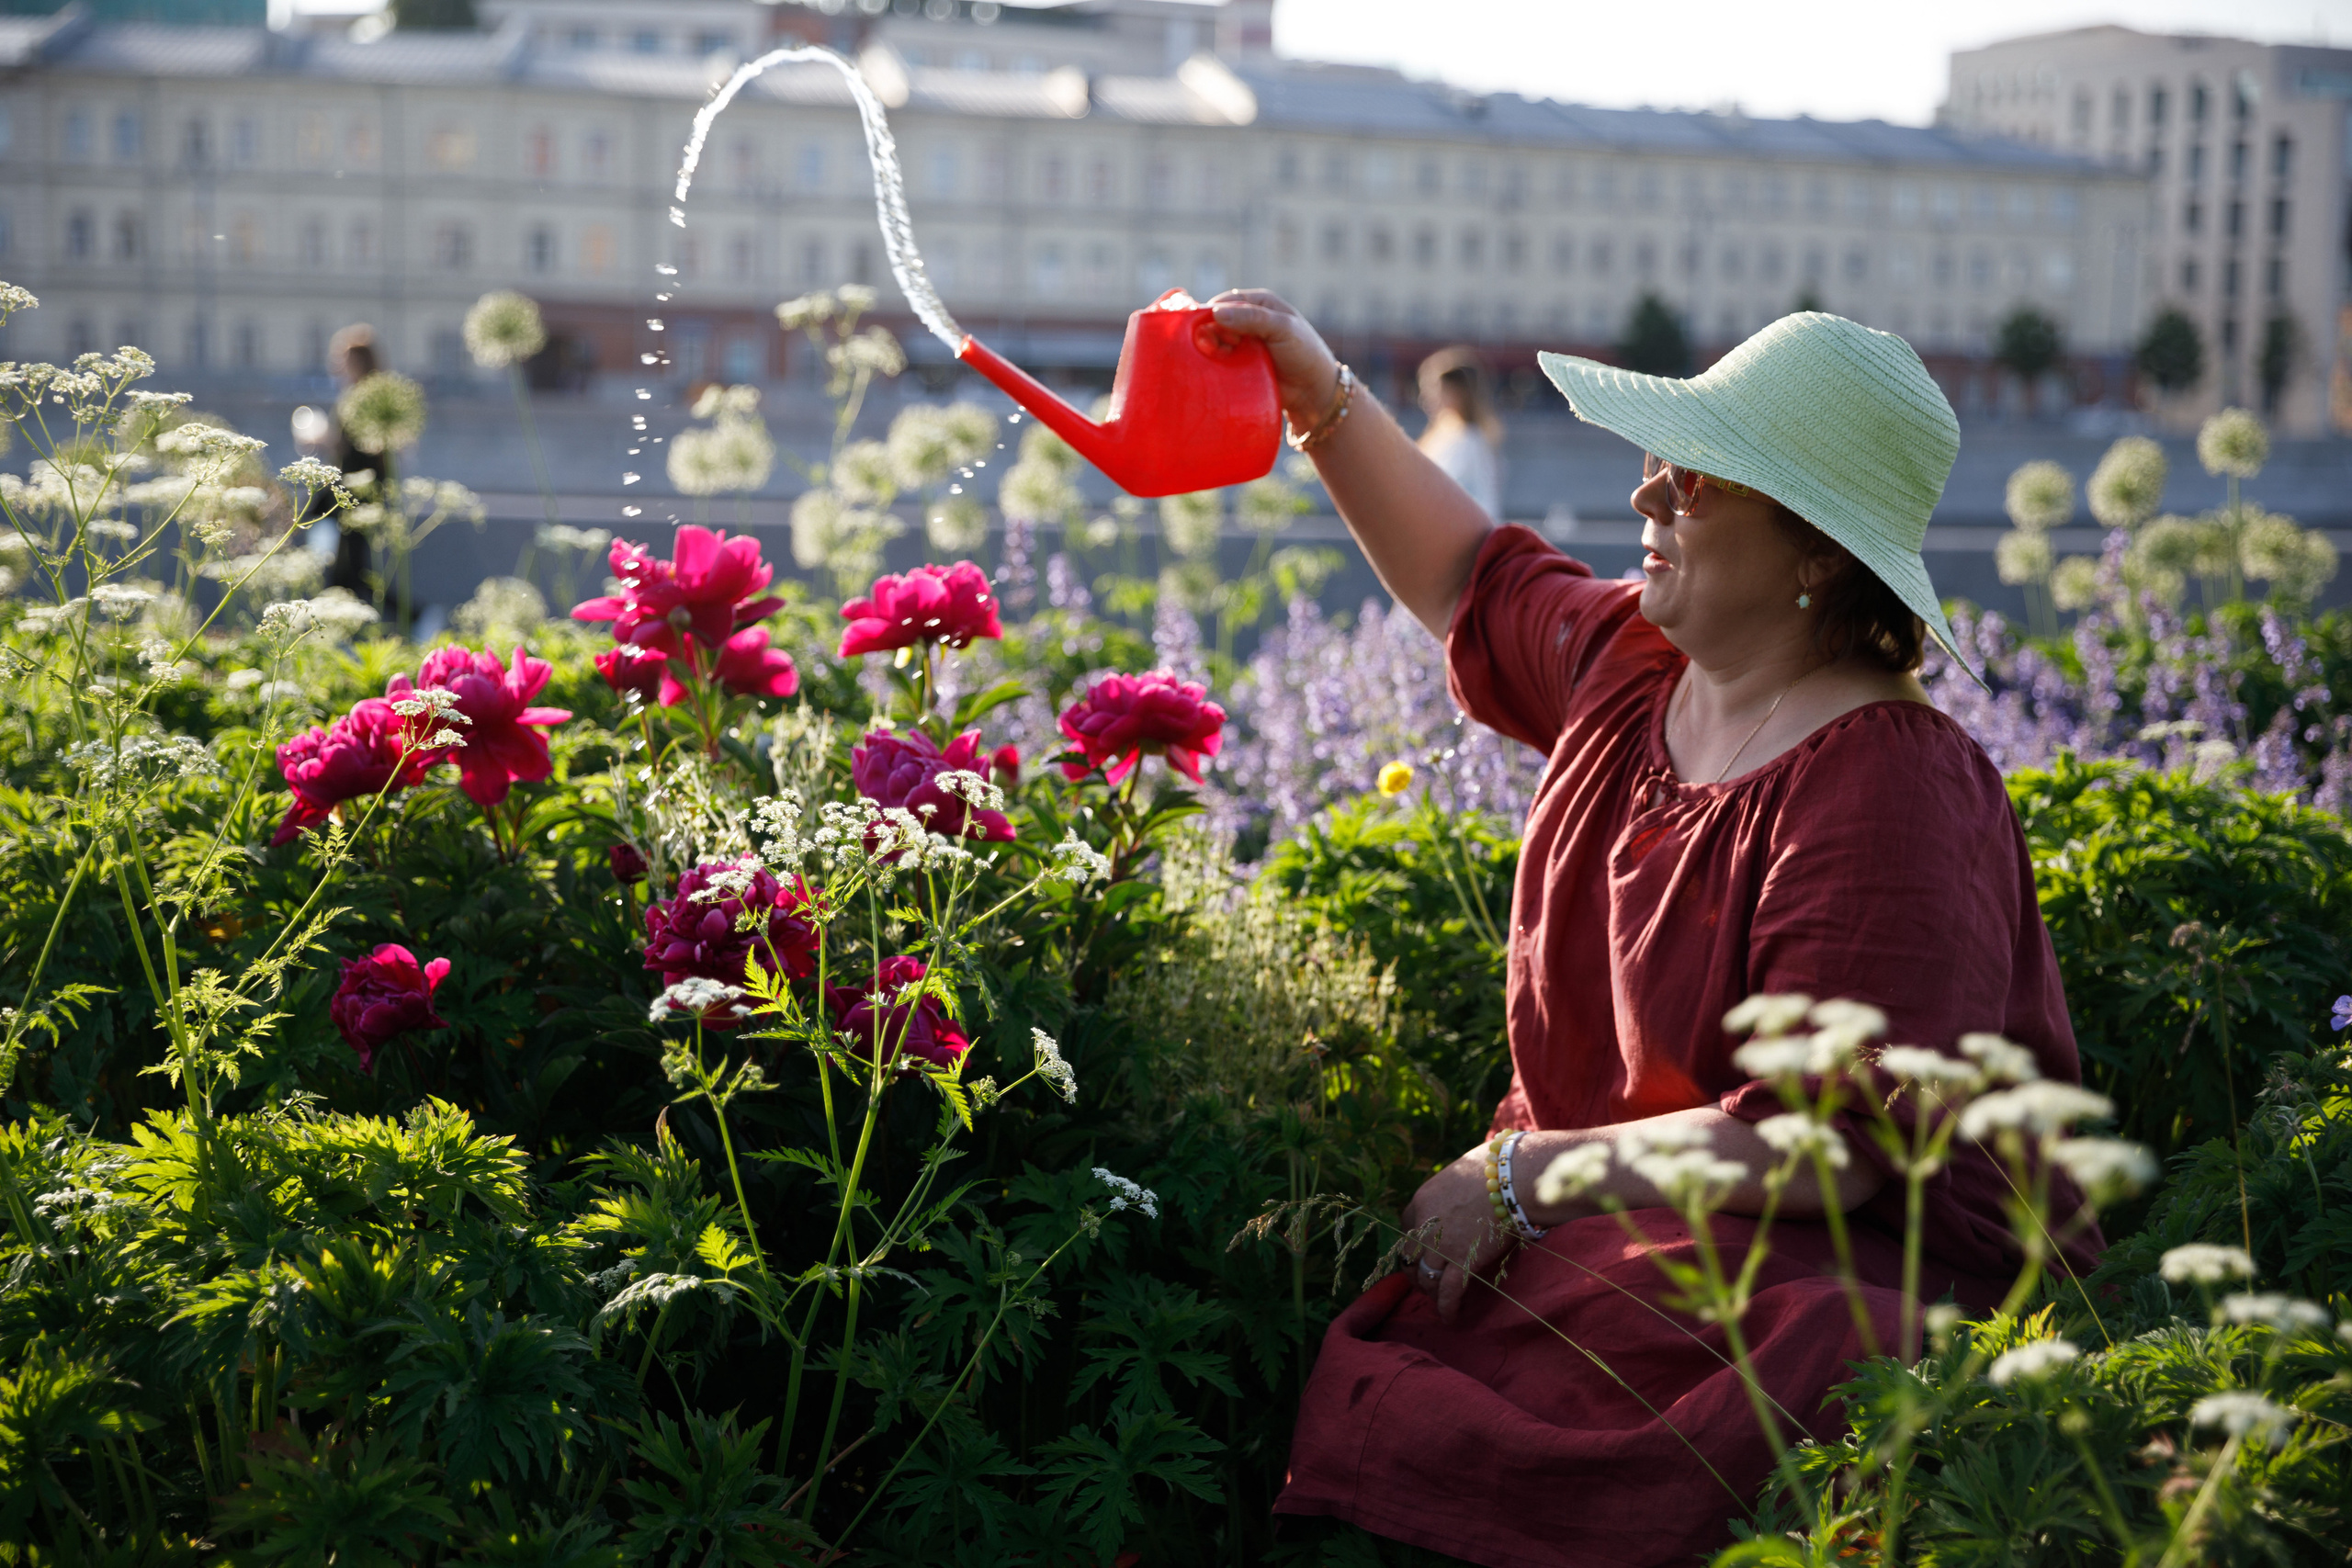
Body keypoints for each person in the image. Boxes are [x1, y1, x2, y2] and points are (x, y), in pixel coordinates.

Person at [1204, 293, 2096, 1568]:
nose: (1647, 494)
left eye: (1699, 476)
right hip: (1628, 1224)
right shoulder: (1634, 664)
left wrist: (1521, 1176)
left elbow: (1828, 1145)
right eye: (1661, 459)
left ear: (1817, 553)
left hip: (1834, 1261)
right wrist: (1316, 391)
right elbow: (1466, 579)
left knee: (1692, 1391)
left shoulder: (1891, 781)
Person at [311, 323, 381, 598]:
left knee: (352, 572)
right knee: (349, 570)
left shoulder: (367, 397)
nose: (337, 365)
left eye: (343, 358)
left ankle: (417, 615)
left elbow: (358, 445)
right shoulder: (354, 394)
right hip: (348, 492)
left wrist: (324, 438)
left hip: (357, 492)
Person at [1414, 345, 1504, 521]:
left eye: (1434, 389)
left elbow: (1485, 502)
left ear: (1457, 393)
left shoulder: (1469, 440)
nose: (1425, 398)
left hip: (1460, 530)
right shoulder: (1447, 436)